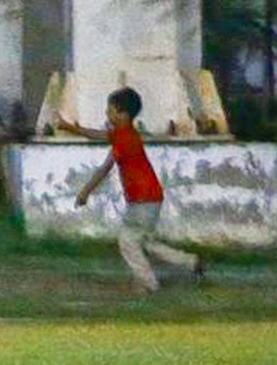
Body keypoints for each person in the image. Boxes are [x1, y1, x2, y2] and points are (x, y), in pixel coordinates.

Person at [57, 87, 204, 294]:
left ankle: (148, 283)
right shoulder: (123, 137)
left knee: (128, 241)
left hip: (144, 199)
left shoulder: (124, 137)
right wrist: (86, 191)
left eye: (110, 110)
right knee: (145, 242)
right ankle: (190, 261)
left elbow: (101, 152)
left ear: (123, 114)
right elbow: (104, 160)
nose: (107, 114)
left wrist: (72, 129)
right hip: (146, 198)